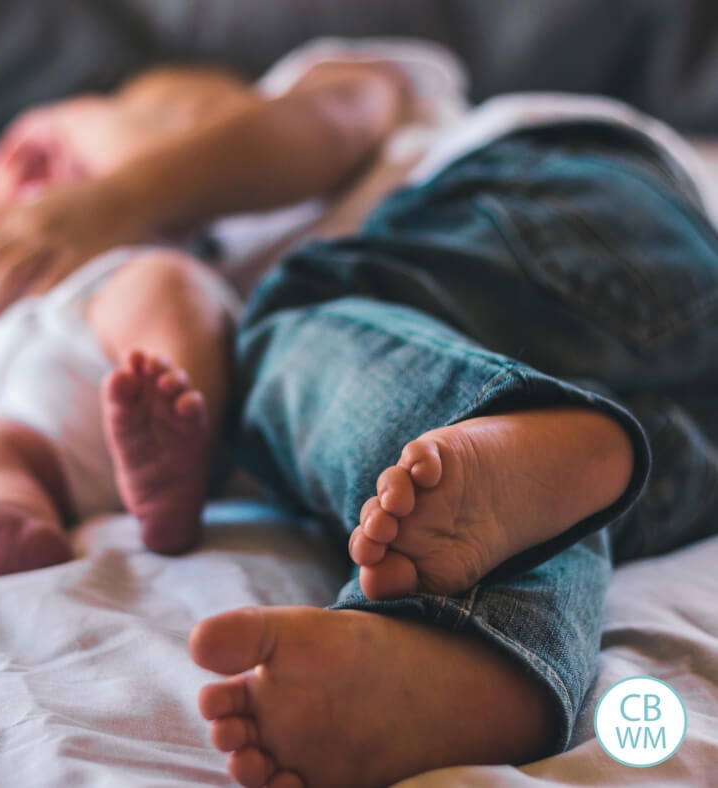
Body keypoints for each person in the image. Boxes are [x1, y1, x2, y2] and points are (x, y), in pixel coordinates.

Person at [186, 94, 718, 787]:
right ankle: (483, 659)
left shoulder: (388, 96)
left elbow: (337, 109)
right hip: (663, 297)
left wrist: (99, 201)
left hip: (557, 187)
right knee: (557, 503)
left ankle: (504, 435)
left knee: (283, 325)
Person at [0, 59, 415, 587]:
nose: (192, 135)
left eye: (193, 131)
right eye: (170, 116)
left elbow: (332, 115)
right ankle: (3, 520)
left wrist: (127, 192)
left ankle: (176, 444)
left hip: (109, 334)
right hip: (15, 410)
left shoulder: (180, 227)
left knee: (165, 294)